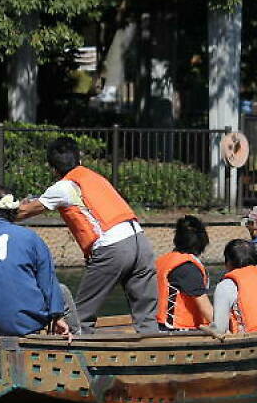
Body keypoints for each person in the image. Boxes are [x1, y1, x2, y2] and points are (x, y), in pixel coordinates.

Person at [17, 137, 158, 334]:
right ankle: (151, 348)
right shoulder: (96, 178)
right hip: (141, 243)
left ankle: (81, 356)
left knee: (81, 316)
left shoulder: (64, 186)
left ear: (54, 169)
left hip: (113, 247)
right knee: (146, 316)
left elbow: (24, 212)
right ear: (79, 159)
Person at [0, 184, 71, 337]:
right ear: (15, 212)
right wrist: (57, 316)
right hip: (30, 327)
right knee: (62, 291)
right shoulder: (30, 238)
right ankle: (76, 337)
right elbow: (48, 285)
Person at [156, 215, 213, 330]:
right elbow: (206, 309)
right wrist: (228, 330)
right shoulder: (187, 268)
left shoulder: (163, 261)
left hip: (158, 324)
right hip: (178, 329)